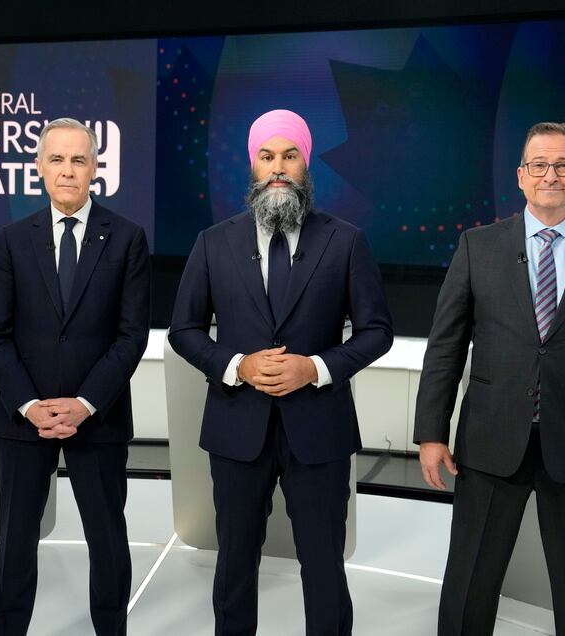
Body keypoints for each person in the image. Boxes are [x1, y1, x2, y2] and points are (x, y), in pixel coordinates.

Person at [413, 122, 565, 634]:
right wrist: (431, 433)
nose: (552, 175)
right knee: (469, 584)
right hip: (488, 443)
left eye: (564, 165)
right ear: (522, 177)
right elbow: (445, 349)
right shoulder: (476, 247)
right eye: (540, 166)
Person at [168, 109, 393, 635]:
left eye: (289, 156)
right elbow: (184, 330)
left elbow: (376, 330)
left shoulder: (345, 241)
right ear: (252, 166)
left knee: (323, 565)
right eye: (266, 157)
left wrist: (314, 368)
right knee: (235, 566)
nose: (278, 168)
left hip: (319, 430)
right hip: (236, 429)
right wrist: (237, 365)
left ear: (305, 164)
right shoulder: (213, 242)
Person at [0, 117, 151, 636]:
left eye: (79, 160)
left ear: (95, 168)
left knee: (107, 537)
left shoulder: (127, 239)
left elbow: (131, 336)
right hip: (22, 419)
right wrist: (30, 405)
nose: (68, 171)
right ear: (39, 167)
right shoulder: (13, 239)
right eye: (57, 159)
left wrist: (85, 403)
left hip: (97, 418)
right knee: (15, 540)